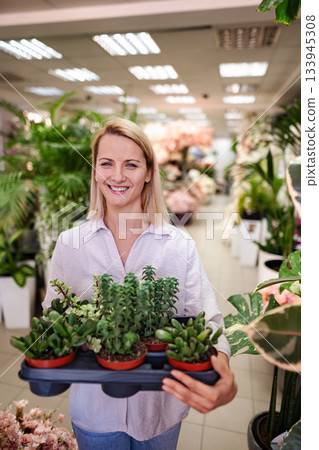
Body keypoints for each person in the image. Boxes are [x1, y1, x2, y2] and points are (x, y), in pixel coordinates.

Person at [43, 117, 237, 450]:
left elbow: (209, 323)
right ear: (95, 171)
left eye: (131, 164)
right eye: (106, 163)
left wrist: (226, 379)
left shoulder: (178, 244)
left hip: (160, 411)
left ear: (148, 172)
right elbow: (52, 318)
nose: (117, 176)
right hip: (94, 413)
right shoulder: (69, 243)